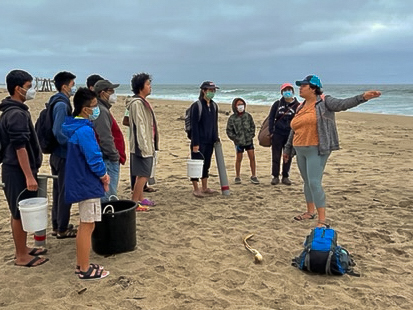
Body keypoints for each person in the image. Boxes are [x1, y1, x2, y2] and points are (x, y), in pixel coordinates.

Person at [284, 75, 381, 227]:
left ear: (313, 88)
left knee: (315, 183)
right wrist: (287, 149)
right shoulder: (300, 106)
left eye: (303, 85)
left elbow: (343, 104)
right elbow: (293, 129)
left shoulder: (324, 102)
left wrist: (363, 97)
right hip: (299, 149)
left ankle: (322, 220)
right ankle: (310, 212)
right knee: (307, 182)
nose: (300, 88)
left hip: (317, 148)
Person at [0, 69, 49, 267]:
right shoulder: (16, 114)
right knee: (19, 212)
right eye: (29, 87)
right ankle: (21, 256)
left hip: (17, 169)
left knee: (20, 210)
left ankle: (23, 248)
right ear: (18, 89)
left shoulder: (15, 111)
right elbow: (20, 147)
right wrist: (29, 176)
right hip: (17, 171)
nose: (32, 90)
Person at [62, 87, 110, 280]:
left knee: (86, 224)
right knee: (87, 225)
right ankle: (84, 268)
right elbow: (94, 158)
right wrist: (104, 176)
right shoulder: (83, 130)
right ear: (84, 109)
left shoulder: (76, 127)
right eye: (94, 106)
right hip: (86, 182)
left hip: (82, 181)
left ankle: (82, 264)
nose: (96, 109)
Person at [50, 71, 78, 239]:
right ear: (64, 86)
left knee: (58, 190)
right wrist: (72, 145)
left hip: (57, 155)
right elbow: (58, 132)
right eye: (72, 85)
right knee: (64, 192)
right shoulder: (61, 104)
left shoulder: (58, 101)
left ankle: (57, 224)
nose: (73, 88)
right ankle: (62, 228)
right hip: (62, 155)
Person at [125, 73, 159, 208]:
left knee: (141, 174)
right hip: (141, 146)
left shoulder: (141, 102)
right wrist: (145, 146)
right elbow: (140, 126)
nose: (150, 87)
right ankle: (135, 202)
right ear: (140, 87)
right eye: (147, 84)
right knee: (144, 174)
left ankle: (140, 197)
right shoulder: (137, 104)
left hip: (146, 144)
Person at [93, 79, 126, 202]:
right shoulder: (101, 110)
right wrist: (114, 155)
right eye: (111, 91)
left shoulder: (102, 109)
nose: (113, 94)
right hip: (107, 158)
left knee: (108, 194)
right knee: (108, 196)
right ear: (102, 93)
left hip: (108, 157)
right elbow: (105, 136)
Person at [190, 81, 220, 198]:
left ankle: (205, 187)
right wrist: (195, 143)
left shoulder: (214, 106)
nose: (212, 92)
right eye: (210, 90)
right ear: (203, 91)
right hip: (199, 141)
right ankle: (196, 188)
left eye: (213, 90)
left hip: (210, 140)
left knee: (206, 164)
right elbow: (194, 126)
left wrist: (216, 138)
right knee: (196, 164)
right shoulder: (197, 106)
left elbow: (214, 124)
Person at [268, 83, 300, 185]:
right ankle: (275, 176)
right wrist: (271, 131)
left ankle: (285, 176)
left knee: (287, 156)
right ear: (282, 92)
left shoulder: (297, 105)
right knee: (276, 156)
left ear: (293, 92)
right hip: (277, 133)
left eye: (289, 90)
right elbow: (271, 118)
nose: (287, 92)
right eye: (285, 90)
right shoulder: (277, 104)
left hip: (290, 134)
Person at [122, 109, 157, 193]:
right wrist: (139, 124)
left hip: (143, 136)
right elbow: (125, 121)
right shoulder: (134, 106)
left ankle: (143, 186)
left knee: (143, 164)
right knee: (137, 163)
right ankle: (135, 187)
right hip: (136, 137)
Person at [226, 97, 259, 184]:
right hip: (239, 142)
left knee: (252, 157)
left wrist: (251, 135)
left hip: (248, 141)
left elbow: (252, 126)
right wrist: (235, 138)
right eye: (239, 105)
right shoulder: (232, 118)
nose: (241, 106)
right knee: (239, 159)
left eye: (242, 104)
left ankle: (254, 175)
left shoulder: (248, 116)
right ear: (235, 106)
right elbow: (229, 131)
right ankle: (237, 176)